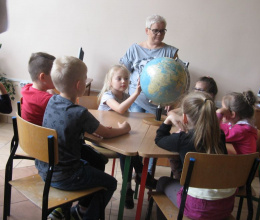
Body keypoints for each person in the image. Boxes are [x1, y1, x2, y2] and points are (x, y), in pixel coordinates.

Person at [38, 56, 131, 220]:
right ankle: (84, 215)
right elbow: (106, 134)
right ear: (79, 85)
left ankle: (76, 208)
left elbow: (67, 127)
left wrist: (89, 131)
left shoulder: (52, 101)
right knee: (110, 183)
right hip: (67, 175)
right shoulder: (80, 113)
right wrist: (124, 129)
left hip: (46, 169)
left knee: (97, 161)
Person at [155, 92, 235, 220]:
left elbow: (159, 139)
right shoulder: (219, 136)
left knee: (162, 182)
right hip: (225, 207)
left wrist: (169, 119)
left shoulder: (183, 139)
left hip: (196, 207)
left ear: (184, 118)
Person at [120, 14, 179, 178]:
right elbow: (121, 72)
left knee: (153, 142)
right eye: (155, 31)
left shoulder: (170, 52)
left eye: (162, 31)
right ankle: (131, 175)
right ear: (147, 30)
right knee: (134, 139)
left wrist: (173, 99)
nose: (159, 34)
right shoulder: (134, 49)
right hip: (136, 101)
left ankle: (147, 176)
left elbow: (177, 78)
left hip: (158, 105)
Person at [98, 64, 156, 209]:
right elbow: (120, 109)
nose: (124, 81)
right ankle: (139, 178)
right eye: (119, 78)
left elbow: (124, 116)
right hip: (102, 135)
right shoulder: (107, 96)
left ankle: (130, 185)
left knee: (132, 149)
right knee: (126, 152)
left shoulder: (124, 95)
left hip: (116, 133)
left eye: (126, 79)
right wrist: (136, 93)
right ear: (110, 81)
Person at [216, 90, 258, 154]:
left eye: (223, 109)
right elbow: (224, 127)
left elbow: (217, 135)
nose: (221, 109)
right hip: (240, 159)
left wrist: (219, 114)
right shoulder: (237, 125)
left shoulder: (241, 130)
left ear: (232, 114)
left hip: (242, 163)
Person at [21, 52, 56, 126]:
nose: (57, 77)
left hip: (28, 135)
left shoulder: (26, 88)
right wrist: (55, 96)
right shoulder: (49, 100)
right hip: (45, 136)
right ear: (42, 77)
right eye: (54, 74)